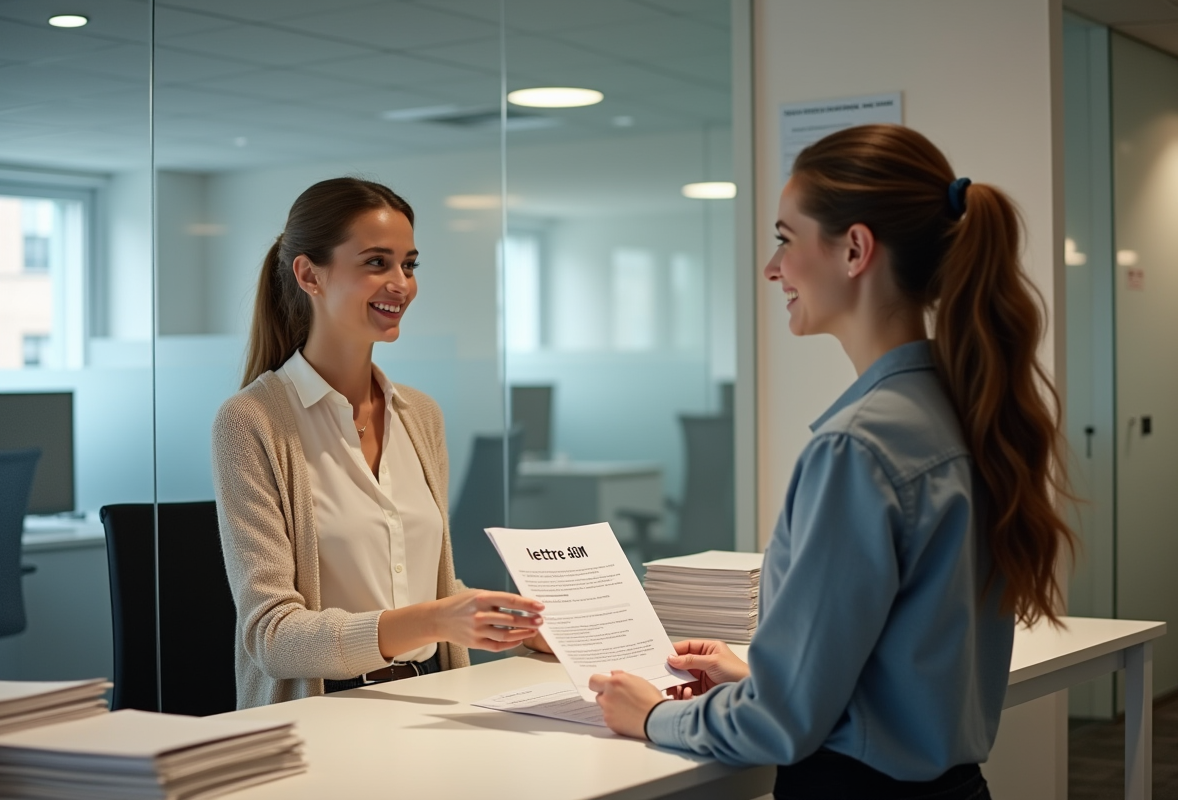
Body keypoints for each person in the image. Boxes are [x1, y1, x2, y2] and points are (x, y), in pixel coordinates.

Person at [589, 125, 1075, 799]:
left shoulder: (857, 447)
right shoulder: (961, 410)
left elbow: (778, 726)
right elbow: (894, 666)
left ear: (854, 249)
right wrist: (765, 674)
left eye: (785, 239)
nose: (771, 268)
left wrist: (652, 714)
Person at [212, 177, 548, 710]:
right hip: (323, 713)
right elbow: (272, 637)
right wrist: (437, 619)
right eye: (376, 263)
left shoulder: (420, 415)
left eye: (409, 265)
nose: (401, 284)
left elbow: (427, 585)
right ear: (309, 275)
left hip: (433, 697)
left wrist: (517, 626)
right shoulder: (251, 421)